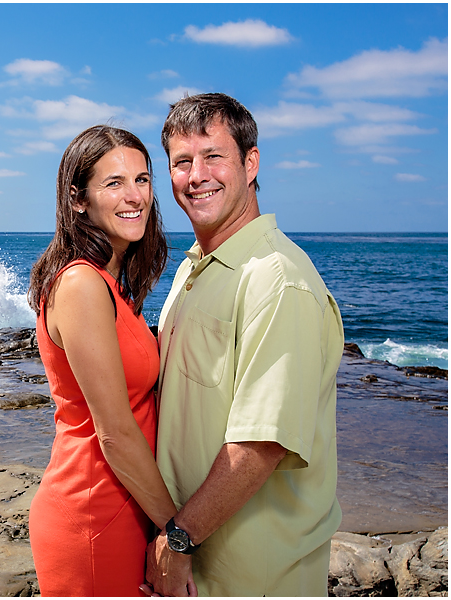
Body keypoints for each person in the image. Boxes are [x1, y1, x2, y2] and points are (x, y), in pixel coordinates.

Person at [144, 93, 343, 596]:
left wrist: (178, 539)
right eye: (181, 162)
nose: (196, 175)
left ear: (250, 163)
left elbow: (262, 442)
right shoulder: (195, 265)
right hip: (201, 567)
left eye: (214, 156)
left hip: (257, 574)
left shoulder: (276, 278)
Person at [27, 125, 189, 596]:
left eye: (142, 179)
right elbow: (115, 433)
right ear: (79, 200)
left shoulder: (113, 284)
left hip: (130, 503)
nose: (134, 195)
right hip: (94, 512)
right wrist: (177, 532)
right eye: (113, 183)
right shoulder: (81, 284)